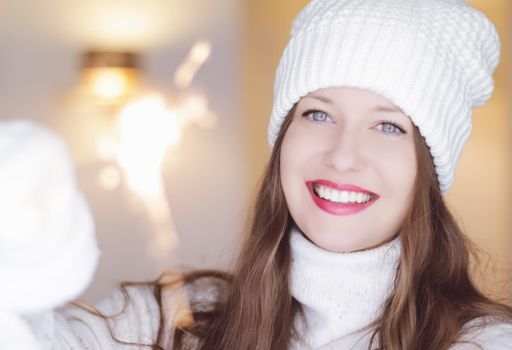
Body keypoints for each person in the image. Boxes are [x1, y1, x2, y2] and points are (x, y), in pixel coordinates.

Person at [5, 0, 512, 349]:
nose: (342, 155)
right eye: (317, 114)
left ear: (428, 168)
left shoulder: (483, 342)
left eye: (388, 125)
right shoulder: (171, 321)